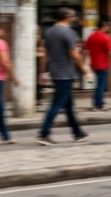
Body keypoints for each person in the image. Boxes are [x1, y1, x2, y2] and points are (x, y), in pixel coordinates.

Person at [36, 8, 90, 145]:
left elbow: (45, 53)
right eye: (73, 15)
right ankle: (43, 133)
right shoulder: (68, 32)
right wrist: (83, 67)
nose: (74, 18)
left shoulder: (49, 31)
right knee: (57, 103)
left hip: (55, 71)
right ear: (67, 17)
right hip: (66, 72)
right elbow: (73, 53)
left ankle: (77, 133)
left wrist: (42, 70)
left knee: (68, 105)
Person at [83, 25, 111, 111]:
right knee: (101, 85)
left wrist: (85, 62)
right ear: (105, 26)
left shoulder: (91, 36)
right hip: (103, 63)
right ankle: (99, 104)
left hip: (94, 63)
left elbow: (86, 49)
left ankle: (97, 102)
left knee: (99, 83)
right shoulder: (105, 37)